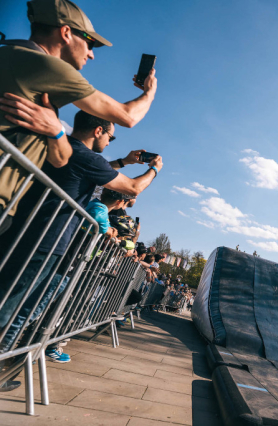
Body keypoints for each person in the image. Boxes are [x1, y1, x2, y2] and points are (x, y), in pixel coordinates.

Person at [0, 111, 162, 390]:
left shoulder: (68, 150)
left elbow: (94, 169)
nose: (111, 142)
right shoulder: (86, 157)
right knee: (11, 304)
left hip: (32, 232)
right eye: (110, 136)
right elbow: (134, 187)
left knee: (13, 301)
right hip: (48, 239)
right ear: (98, 131)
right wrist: (154, 169)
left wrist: (124, 161)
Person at [0, 0, 158, 235]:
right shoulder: (45, 65)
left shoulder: (12, 55)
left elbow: (61, 160)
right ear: (65, 32)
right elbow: (128, 116)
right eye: (90, 43)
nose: (91, 55)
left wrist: (56, 130)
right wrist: (149, 92)